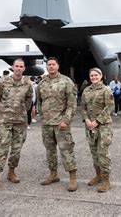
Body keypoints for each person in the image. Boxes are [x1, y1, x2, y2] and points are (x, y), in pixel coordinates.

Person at [0, 59, 33, 192]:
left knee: (16, 150)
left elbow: (29, 100)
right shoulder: (2, 81)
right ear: (12, 68)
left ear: (24, 69)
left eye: (21, 66)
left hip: (20, 121)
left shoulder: (28, 83)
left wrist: (22, 111)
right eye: (16, 66)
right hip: (5, 120)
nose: (18, 68)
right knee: (1, 148)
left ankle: (11, 172)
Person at [37, 57, 78, 192]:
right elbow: (39, 102)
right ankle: (53, 174)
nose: (51, 67)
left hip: (61, 124)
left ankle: (72, 177)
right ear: (46, 67)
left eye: (53, 64)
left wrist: (65, 120)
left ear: (58, 66)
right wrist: (42, 117)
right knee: (50, 151)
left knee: (66, 150)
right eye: (49, 65)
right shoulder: (42, 83)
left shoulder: (66, 81)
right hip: (47, 123)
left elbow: (71, 104)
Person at [81, 68, 114, 192]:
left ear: (101, 76)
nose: (94, 77)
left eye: (96, 75)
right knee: (94, 152)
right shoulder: (86, 90)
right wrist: (87, 120)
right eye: (92, 75)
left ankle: (106, 180)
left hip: (103, 126)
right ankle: (98, 175)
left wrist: (97, 121)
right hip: (90, 126)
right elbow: (83, 107)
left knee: (102, 152)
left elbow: (109, 107)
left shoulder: (106, 90)